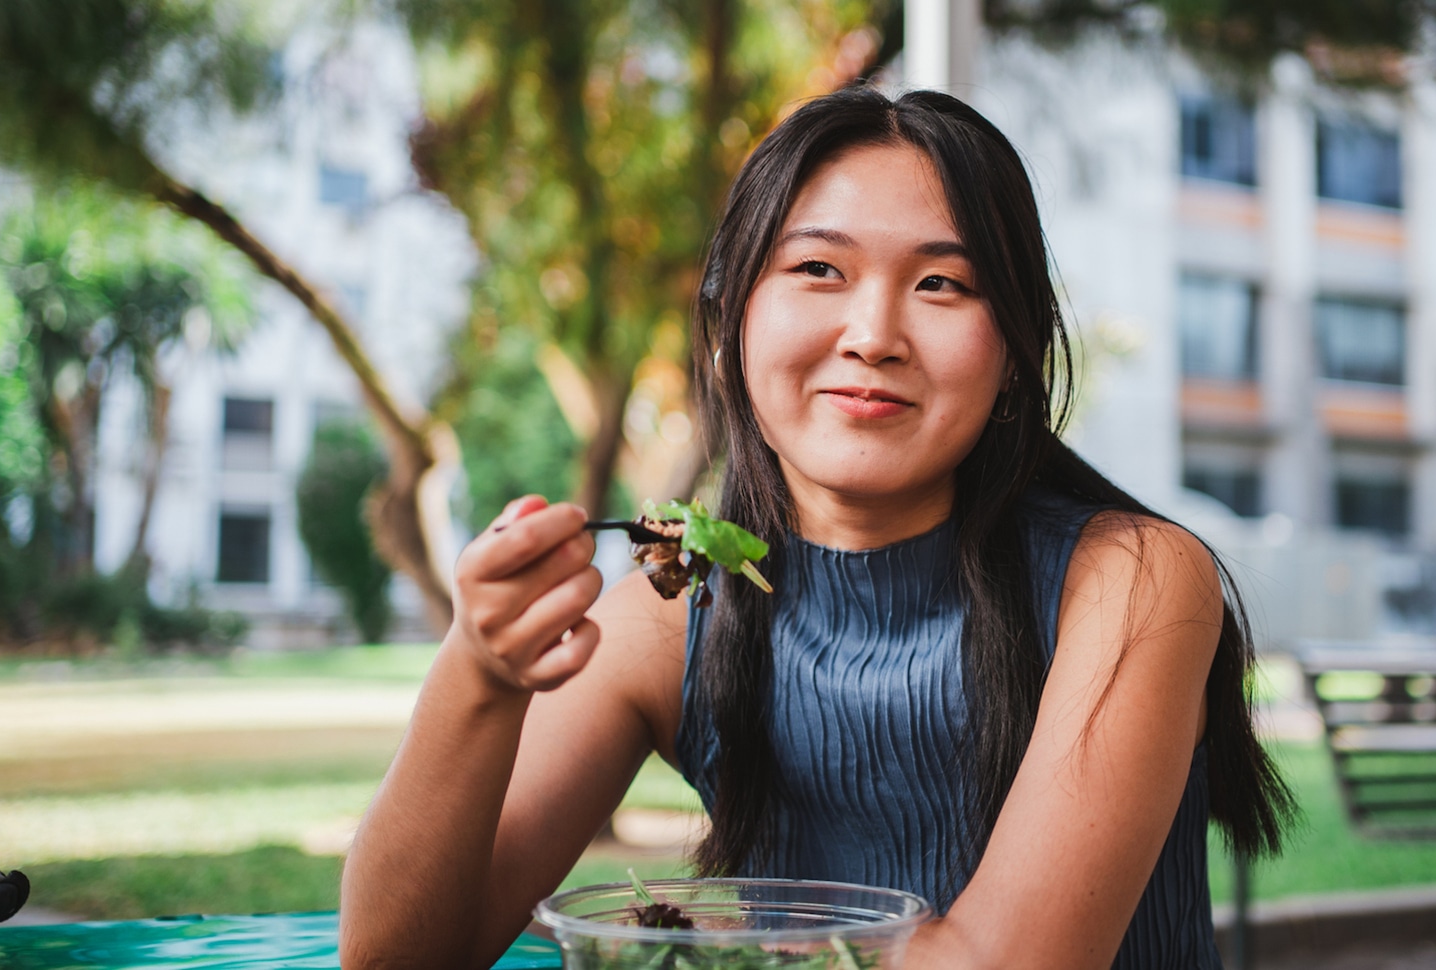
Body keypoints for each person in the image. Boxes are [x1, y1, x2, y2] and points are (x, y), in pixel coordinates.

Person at [340, 86, 1291, 970]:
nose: (873, 333)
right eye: (818, 269)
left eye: (942, 285)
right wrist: (480, 672)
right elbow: (397, 955)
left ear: (1013, 353)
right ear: (730, 322)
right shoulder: (668, 623)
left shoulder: (1131, 579)